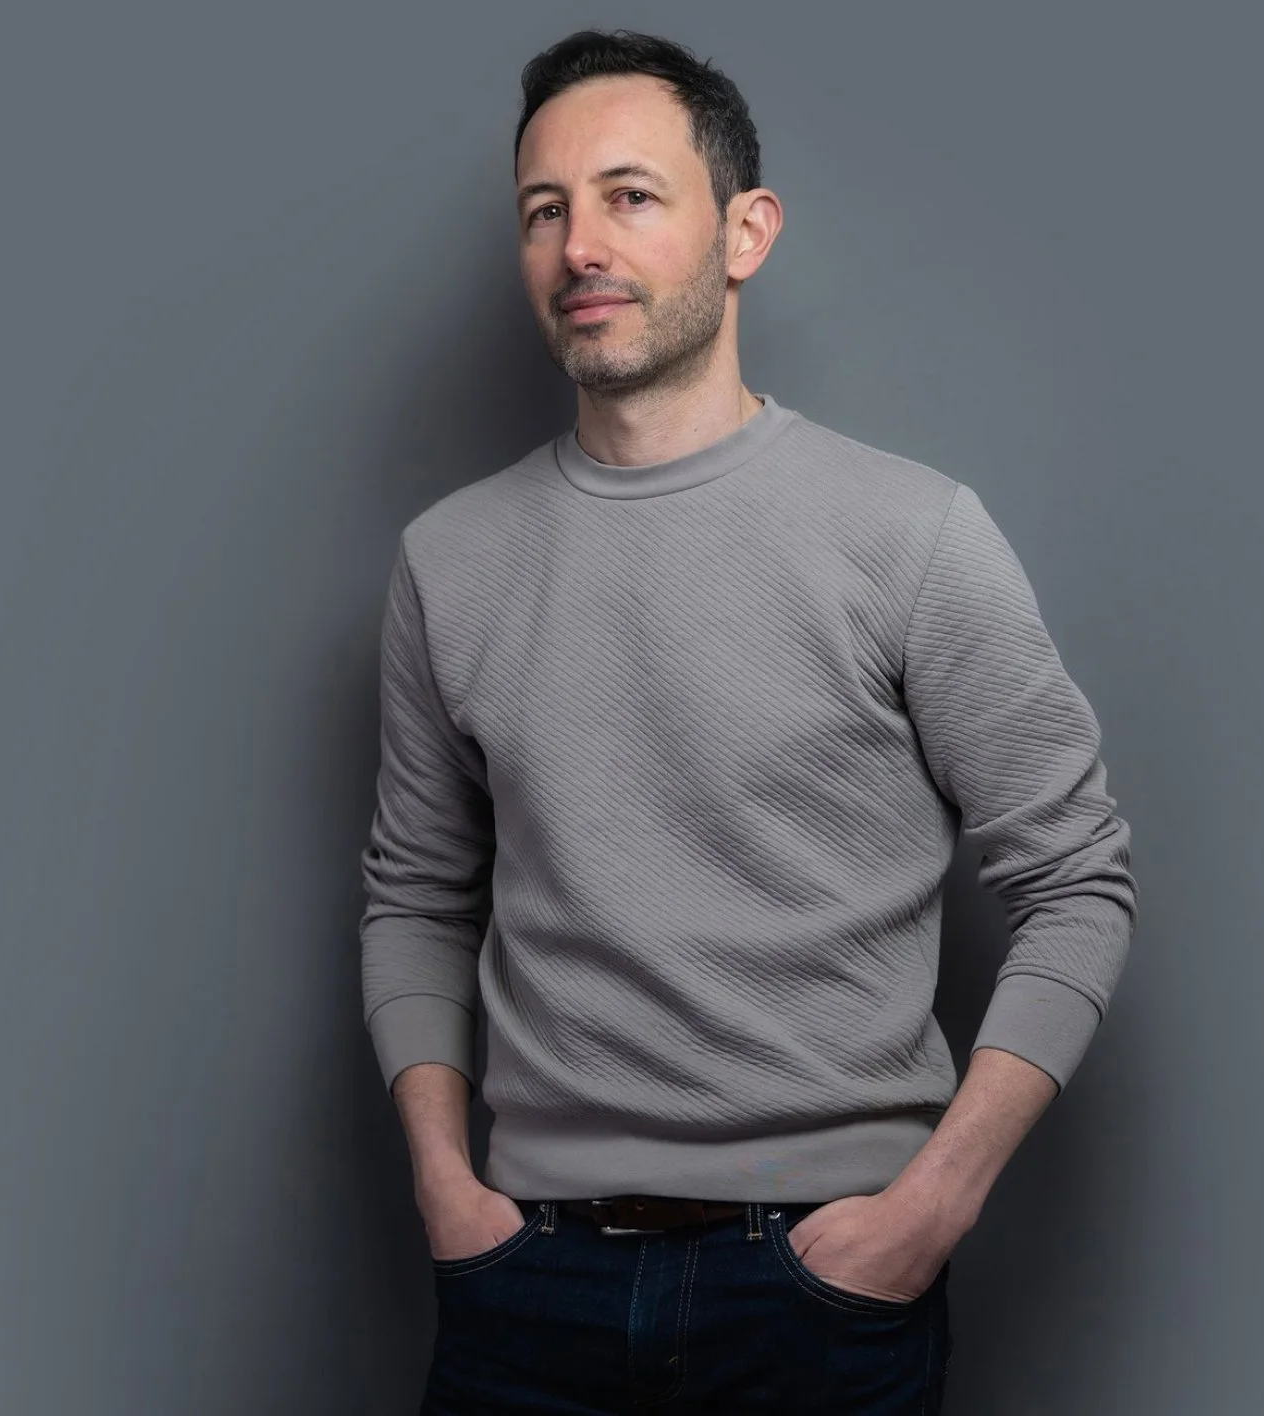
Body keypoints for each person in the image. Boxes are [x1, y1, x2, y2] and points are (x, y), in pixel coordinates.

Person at [359, 27, 1137, 1413]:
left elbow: (1078, 883)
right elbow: (417, 896)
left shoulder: (912, 537)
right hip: (524, 1279)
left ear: (745, 231)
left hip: (825, 1283)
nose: (580, 244)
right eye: (546, 211)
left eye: (630, 196)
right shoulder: (449, 560)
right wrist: (442, 1185)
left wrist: (933, 1206)